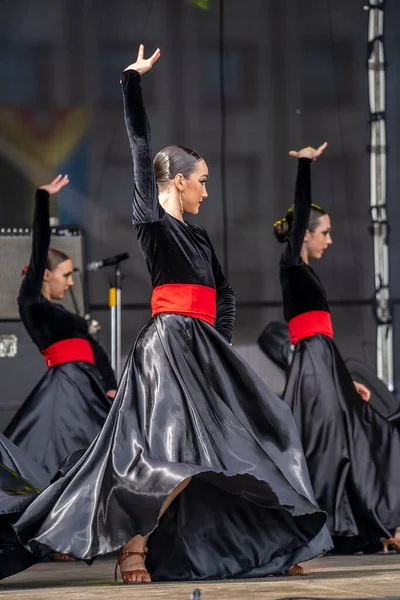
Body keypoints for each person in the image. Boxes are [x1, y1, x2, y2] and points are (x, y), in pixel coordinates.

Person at [9, 46, 331, 584]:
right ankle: (133, 549)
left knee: (256, 434)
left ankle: (267, 541)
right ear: (178, 179)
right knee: (168, 450)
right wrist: (131, 82)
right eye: (201, 179)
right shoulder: (151, 219)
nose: (207, 188)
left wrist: (216, 341)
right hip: (166, 349)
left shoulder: (200, 236)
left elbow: (224, 293)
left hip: (202, 346)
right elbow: (140, 145)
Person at [274, 143, 400, 553]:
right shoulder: (292, 264)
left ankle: (370, 528)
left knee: (358, 438)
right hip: (312, 367)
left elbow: (325, 339)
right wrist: (306, 165)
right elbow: (314, 340)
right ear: (303, 235)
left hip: (324, 364)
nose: (329, 240)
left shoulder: (307, 273)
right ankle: (324, 532)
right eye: (323, 232)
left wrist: (348, 384)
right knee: (328, 449)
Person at [4, 175, 117, 476]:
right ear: (44, 275)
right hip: (67, 387)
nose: (70, 282)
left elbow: (94, 348)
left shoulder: (59, 312)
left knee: (106, 449)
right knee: (63, 451)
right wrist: (43, 197)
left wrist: (110, 385)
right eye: (65, 275)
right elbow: (40, 246)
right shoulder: (32, 303)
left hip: (89, 384)